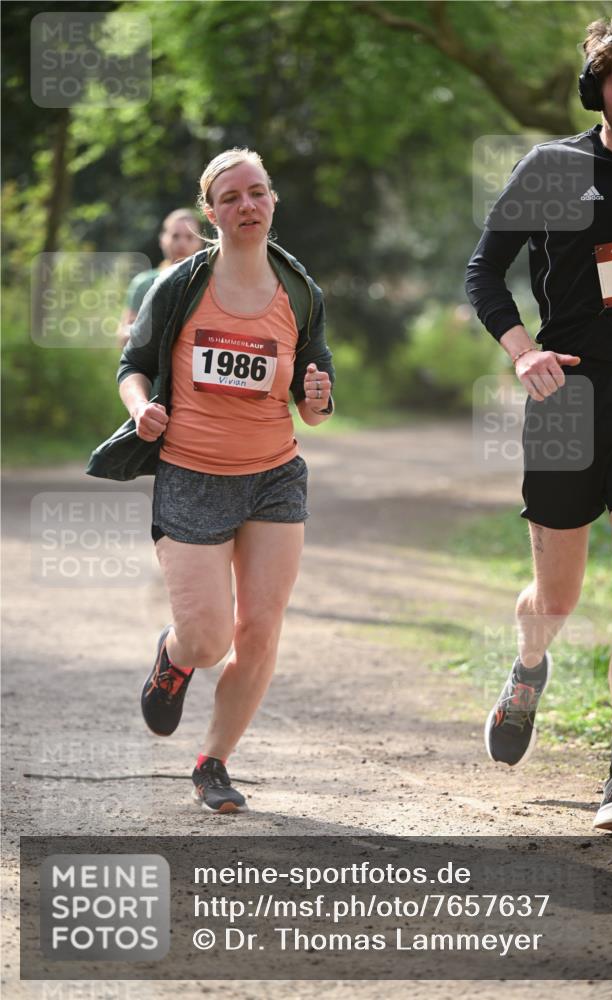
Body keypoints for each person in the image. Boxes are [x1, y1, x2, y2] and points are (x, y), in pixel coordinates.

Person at [465, 13, 612, 834]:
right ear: (598, 92)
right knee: (556, 595)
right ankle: (528, 662)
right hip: (565, 399)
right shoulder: (554, 168)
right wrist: (519, 353)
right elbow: (485, 271)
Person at [117, 148, 335, 813]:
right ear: (211, 212)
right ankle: (176, 657)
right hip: (190, 475)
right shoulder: (180, 284)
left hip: (274, 477)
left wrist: (318, 396)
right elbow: (133, 366)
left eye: (258, 193)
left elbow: (314, 404)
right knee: (210, 638)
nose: (247, 205)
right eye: (232, 197)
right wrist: (141, 410)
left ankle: (213, 762)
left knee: (260, 631)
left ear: (272, 202)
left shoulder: (299, 290)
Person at [117, 208, 205, 348]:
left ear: (200, 243)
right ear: (162, 239)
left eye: (189, 237)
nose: (182, 243)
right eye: (175, 236)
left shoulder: (207, 285)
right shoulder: (144, 283)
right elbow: (124, 334)